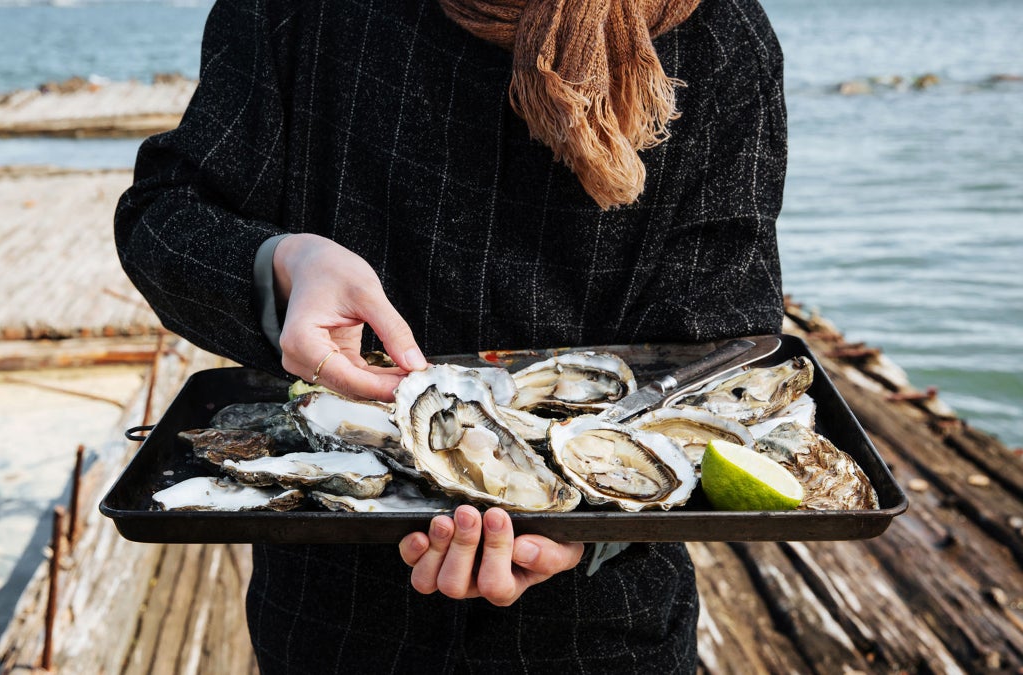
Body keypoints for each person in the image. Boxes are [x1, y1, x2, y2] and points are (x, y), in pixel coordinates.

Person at [116, 0, 786, 671]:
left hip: (606, 632)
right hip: (332, 622)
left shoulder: (723, 38)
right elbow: (165, 217)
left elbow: (722, 351)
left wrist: (591, 532)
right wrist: (284, 267)